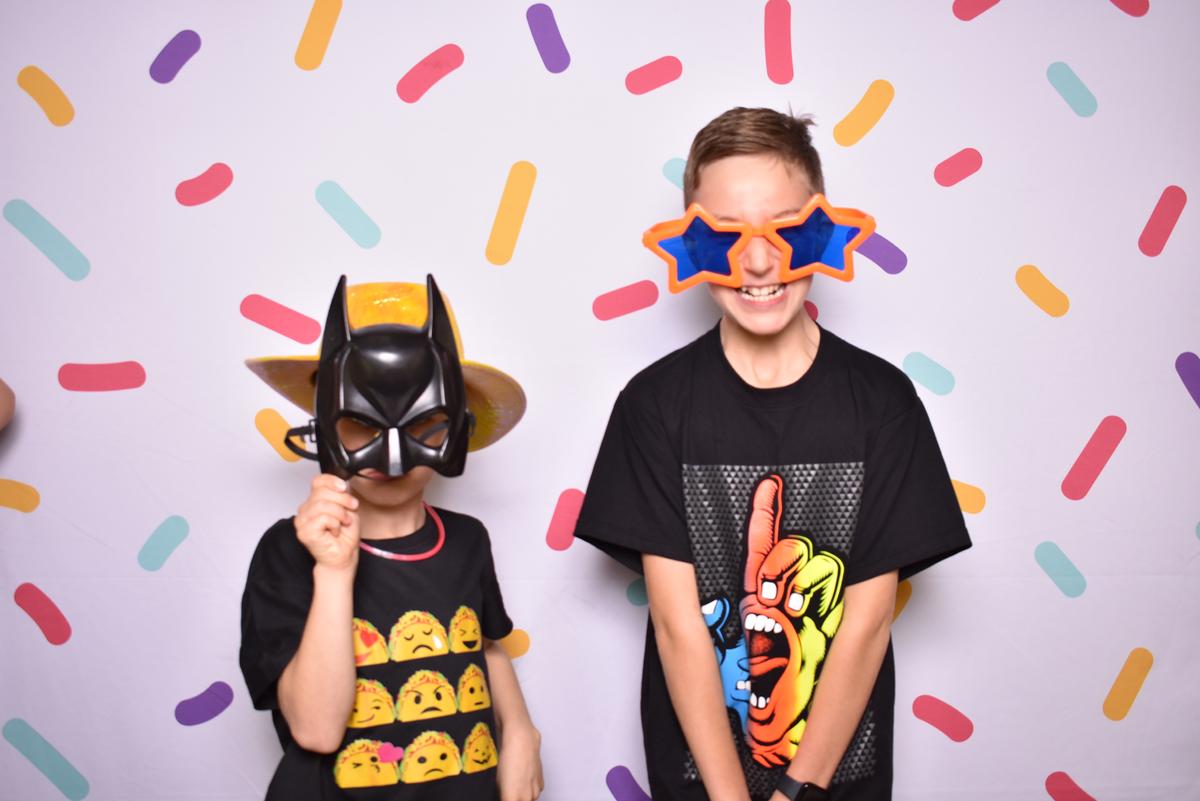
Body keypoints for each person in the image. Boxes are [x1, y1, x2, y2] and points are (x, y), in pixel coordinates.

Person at [575, 107, 972, 801]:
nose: (759, 262)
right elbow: (677, 625)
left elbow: (866, 622)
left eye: (786, 230)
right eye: (727, 235)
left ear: (821, 231)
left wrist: (798, 793)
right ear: (692, 243)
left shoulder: (883, 403)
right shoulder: (653, 406)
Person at [239, 276, 542, 801]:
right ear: (324, 423)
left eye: (422, 423)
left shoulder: (467, 539)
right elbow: (316, 730)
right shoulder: (287, 551)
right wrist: (334, 571)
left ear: (456, 426)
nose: (391, 452)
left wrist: (520, 732)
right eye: (361, 423)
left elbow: (485, 643)